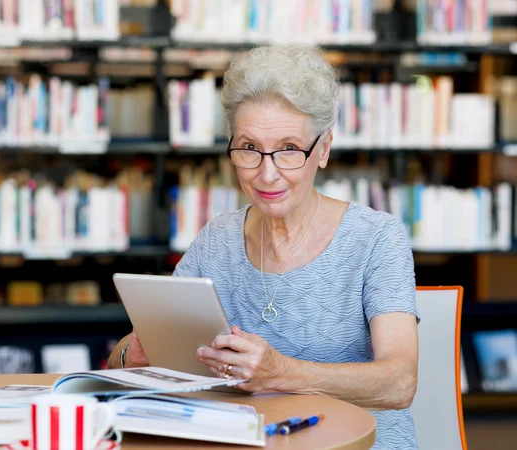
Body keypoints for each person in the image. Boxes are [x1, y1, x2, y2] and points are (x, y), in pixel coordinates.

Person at [109, 44, 420, 449]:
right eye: (250, 148)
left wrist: (282, 373)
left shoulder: (377, 237)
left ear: (323, 149)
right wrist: (131, 358)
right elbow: (126, 349)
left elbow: (399, 383)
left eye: (289, 149)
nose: (267, 174)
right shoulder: (216, 239)